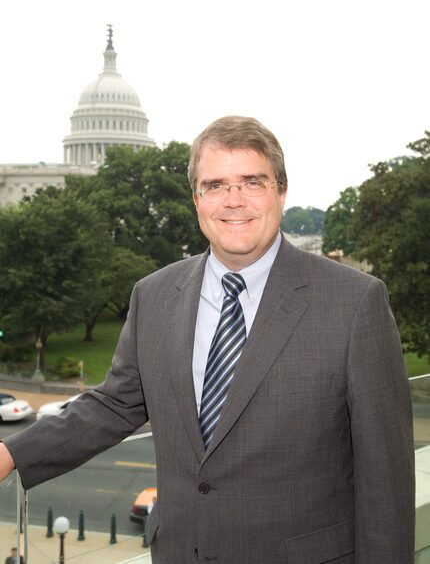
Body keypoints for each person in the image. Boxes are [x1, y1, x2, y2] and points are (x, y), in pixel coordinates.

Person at [0, 116, 415, 562]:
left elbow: (385, 478)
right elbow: (115, 405)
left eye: (252, 181)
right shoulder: (154, 295)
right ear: (196, 199)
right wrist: (11, 452)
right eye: (215, 185)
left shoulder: (355, 302)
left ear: (281, 190)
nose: (233, 201)